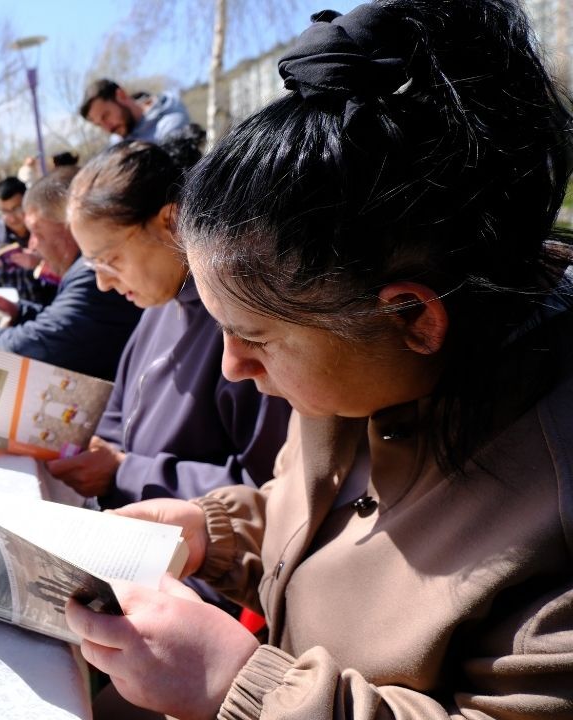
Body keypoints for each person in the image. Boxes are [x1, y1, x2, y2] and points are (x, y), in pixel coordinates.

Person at [63, 2, 573, 718]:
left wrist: (240, 686)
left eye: (255, 336)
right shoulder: (349, 374)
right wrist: (212, 534)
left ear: (411, 317)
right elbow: (317, 524)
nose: (231, 366)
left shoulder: (555, 502)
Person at [51, 135, 291, 512]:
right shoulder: (158, 305)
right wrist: (97, 449)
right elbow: (118, 412)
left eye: (110, 260)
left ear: (171, 221)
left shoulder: (244, 325)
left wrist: (125, 473)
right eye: (92, 265)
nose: (102, 283)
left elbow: (269, 485)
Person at [0, 168, 142, 381]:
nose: (32, 244)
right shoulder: (83, 270)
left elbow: (38, 344)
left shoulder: (91, 274)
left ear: (71, 226)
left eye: (37, 232)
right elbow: (64, 323)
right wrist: (18, 312)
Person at [0, 176, 52, 305]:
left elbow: (64, 279)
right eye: (4, 211)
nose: (12, 218)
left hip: (45, 309)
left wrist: (40, 264)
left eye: (17, 209)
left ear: (28, 205)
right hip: (4, 311)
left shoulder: (45, 231)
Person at [80, 78, 191, 144]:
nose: (108, 128)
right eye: (99, 124)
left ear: (121, 95)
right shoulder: (116, 141)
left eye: (106, 116)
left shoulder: (170, 125)